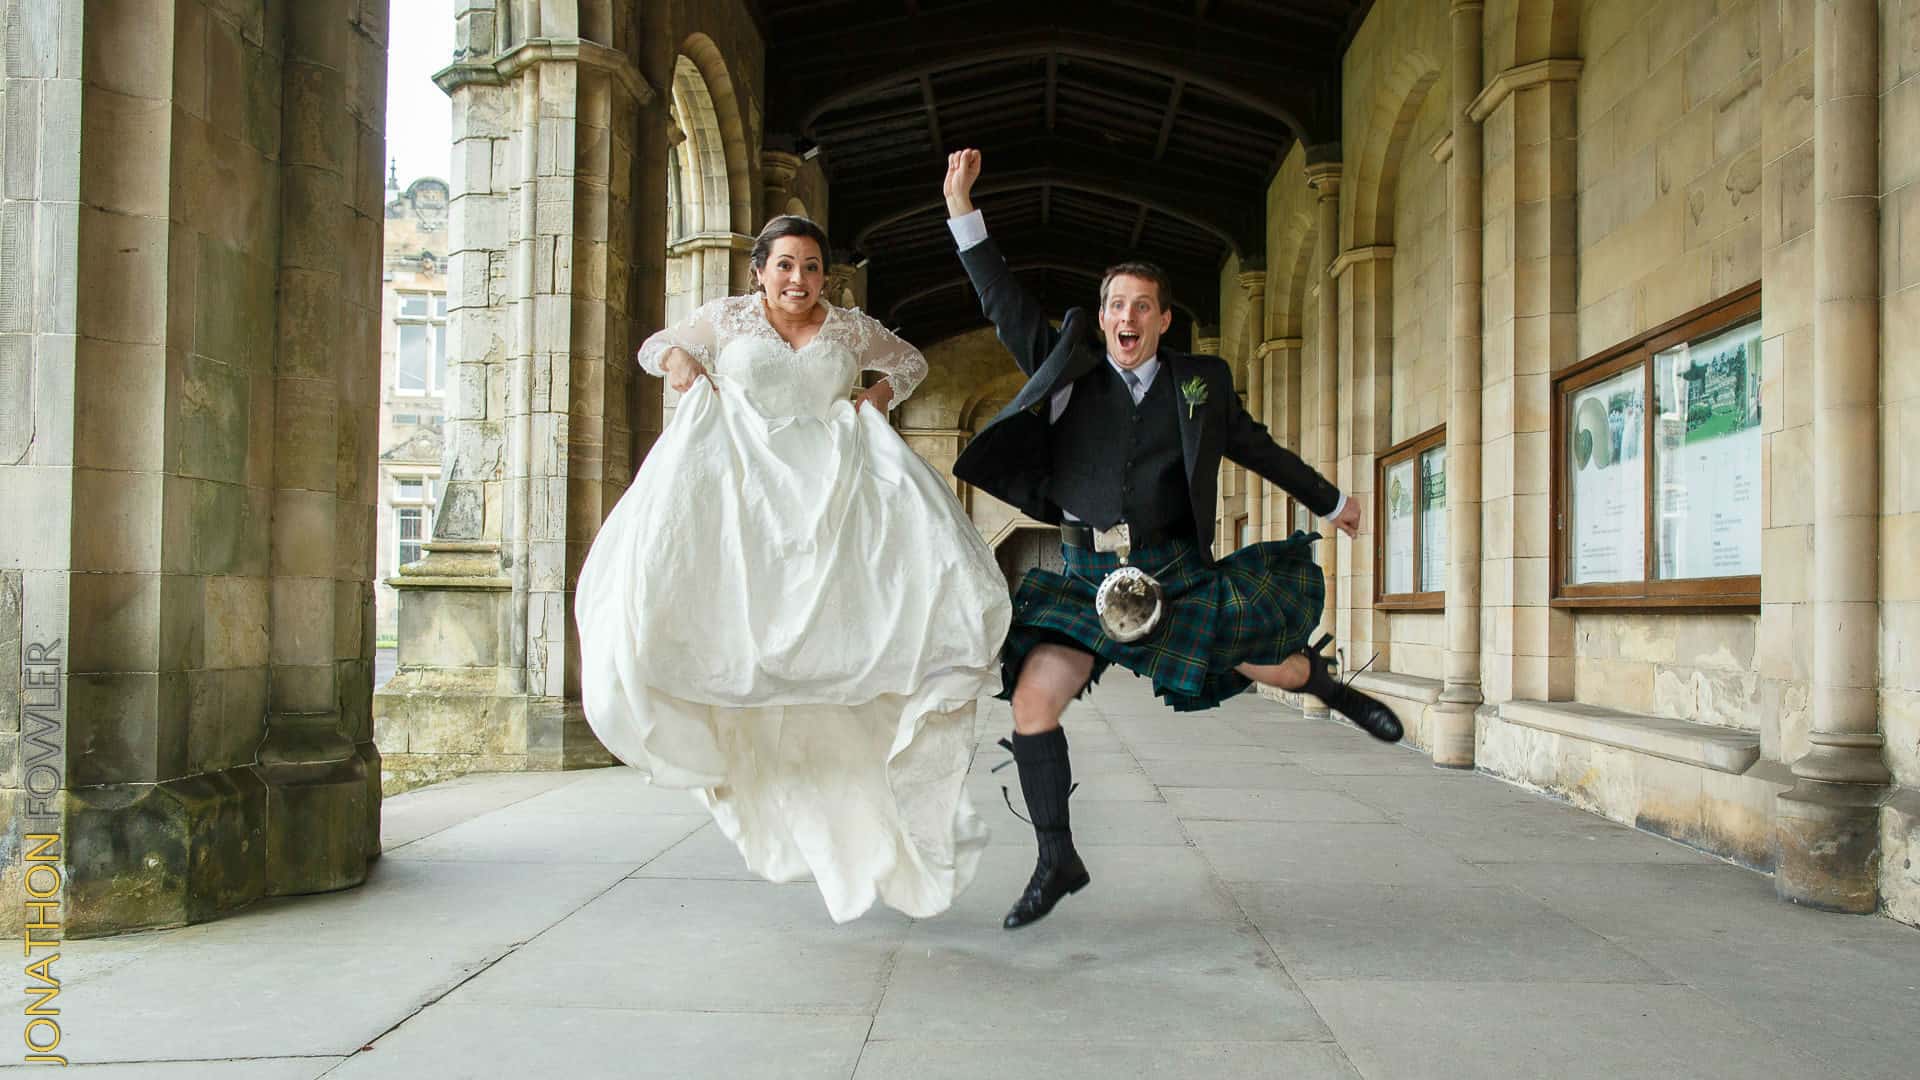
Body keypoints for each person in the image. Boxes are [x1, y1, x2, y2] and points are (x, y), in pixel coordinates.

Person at [941, 149, 1403, 930]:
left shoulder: (1203, 384)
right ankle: (1058, 858)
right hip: (1085, 573)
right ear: (1103, 312)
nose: (1127, 318)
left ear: (1161, 317)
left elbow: (1257, 448)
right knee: (1031, 701)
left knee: (1262, 660)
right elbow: (1002, 298)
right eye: (1115, 304)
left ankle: (1325, 684)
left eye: (1142, 306)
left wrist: (1332, 503)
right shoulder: (1068, 371)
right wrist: (962, 211)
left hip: (1173, 571)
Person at [575, 214, 1012, 923]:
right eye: (785, 266)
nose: (798, 281)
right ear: (759, 270)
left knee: (902, 600)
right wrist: (682, 362)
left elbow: (908, 363)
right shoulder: (729, 318)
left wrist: (874, 399)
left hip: (837, 482)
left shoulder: (847, 328)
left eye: (810, 268)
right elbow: (660, 343)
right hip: (748, 482)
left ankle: (869, 743)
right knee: (733, 616)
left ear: (824, 274)